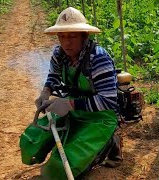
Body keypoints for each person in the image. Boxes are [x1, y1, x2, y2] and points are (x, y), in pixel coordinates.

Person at [19, 7, 122, 179]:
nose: (66, 43)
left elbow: (109, 101)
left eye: (72, 36)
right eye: (62, 37)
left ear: (84, 36)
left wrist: (69, 104)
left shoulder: (98, 59)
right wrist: (46, 92)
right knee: (32, 141)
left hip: (100, 115)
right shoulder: (59, 54)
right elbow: (53, 75)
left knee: (64, 164)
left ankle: (111, 140)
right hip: (74, 109)